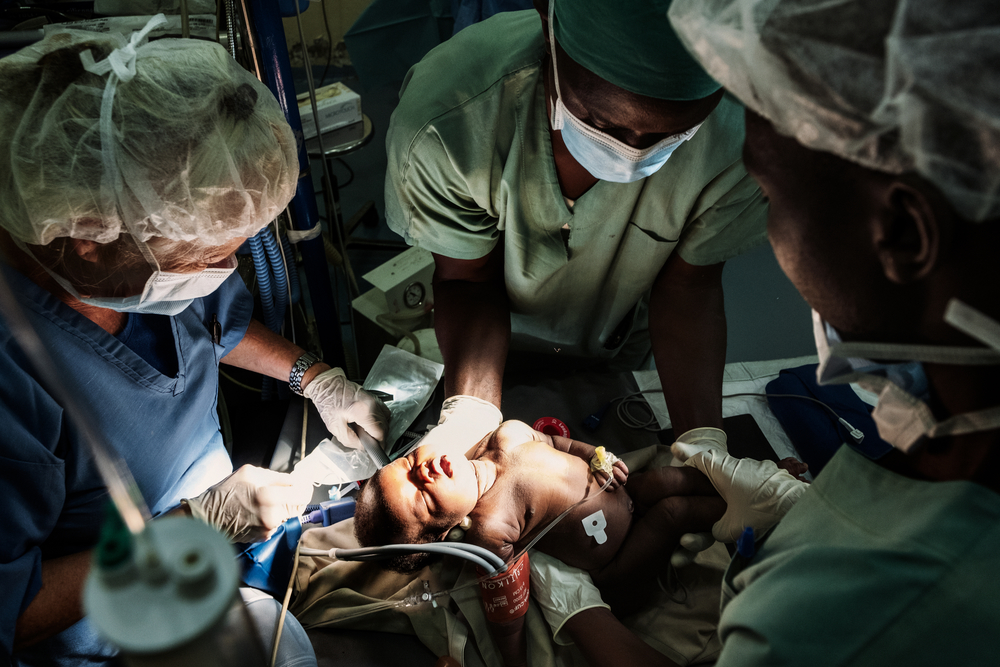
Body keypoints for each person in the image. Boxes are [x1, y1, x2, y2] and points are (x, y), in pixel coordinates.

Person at [526, 1, 1000, 665]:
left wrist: (579, 612)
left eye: (772, 195)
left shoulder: (834, 615)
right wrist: (796, 511)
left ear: (902, 233)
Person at [0, 20, 388, 667]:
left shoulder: (145, 244)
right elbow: (16, 609)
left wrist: (314, 377)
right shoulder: (16, 372)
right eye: (209, 254)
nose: (226, 269)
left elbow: (215, 324)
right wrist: (194, 523)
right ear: (90, 237)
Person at [383, 0, 769, 455]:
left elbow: (689, 290)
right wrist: (471, 415)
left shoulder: (745, 135)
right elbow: (467, 281)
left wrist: (703, 446)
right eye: (601, 122)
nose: (634, 155)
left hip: (619, 345)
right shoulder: (449, 121)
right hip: (483, 339)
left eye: (674, 134)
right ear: (548, 17)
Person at [355, 419, 726, 666]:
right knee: (673, 512)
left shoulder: (507, 434)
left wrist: (597, 458)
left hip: (626, 493)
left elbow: (555, 441)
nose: (424, 471)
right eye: (423, 496)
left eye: (407, 465)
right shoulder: (492, 527)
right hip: (618, 563)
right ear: (446, 533)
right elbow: (506, 616)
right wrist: (514, 662)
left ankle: (745, 491)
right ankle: (755, 517)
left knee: (669, 480)